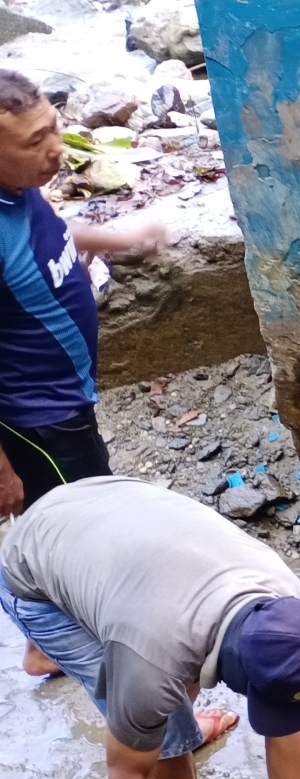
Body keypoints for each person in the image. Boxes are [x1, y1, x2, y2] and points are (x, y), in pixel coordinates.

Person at [1, 476, 300, 779]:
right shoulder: (152, 658)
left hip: (106, 514)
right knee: (163, 723)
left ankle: (145, 716)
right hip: (31, 570)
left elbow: (288, 713)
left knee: (161, 703)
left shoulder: (296, 613)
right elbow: (129, 777)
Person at [0, 68, 166, 517]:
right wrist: (2, 471)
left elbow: (46, 238)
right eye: (35, 142)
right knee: (88, 526)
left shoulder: (20, 188)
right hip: (40, 421)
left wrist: (118, 240)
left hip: (68, 400)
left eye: (53, 127)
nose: (56, 148)